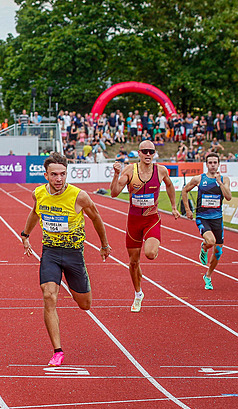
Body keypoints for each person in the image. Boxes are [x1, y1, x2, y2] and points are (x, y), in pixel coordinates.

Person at [20, 152, 111, 367]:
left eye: (62, 174)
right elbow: (35, 212)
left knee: (85, 304)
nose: (59, 179)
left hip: (73, 255)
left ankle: (75, 285)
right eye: (54, 175)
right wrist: (25, 235)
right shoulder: (39, 193)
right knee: (49, 296)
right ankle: (57, 351)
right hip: (50, 252)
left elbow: (96, 217)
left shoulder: (79, 196)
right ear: (46, 175)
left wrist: (104, 244)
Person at [110, 140, 180, 312]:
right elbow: (114, 193)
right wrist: (116, 174)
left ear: (154, 153)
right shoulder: (130, 171)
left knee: (149, 253)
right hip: (133, 221)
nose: (148, 155)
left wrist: (173, 207)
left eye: (151, 152)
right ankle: (138, 293)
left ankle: (153, 246)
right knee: (134, 263)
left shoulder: (161, 170)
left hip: (151, 219)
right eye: (145, 151)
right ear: (139, 153)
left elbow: (170, 186)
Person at [181, 152, 232, 290]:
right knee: (210, 241)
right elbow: (184, 190)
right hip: (203, 218)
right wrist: (188, 210)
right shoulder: (199, 179)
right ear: (206, 164)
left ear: (218, 164)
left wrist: (220, 183)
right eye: (210, 163)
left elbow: (228, 197)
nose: (213, 165)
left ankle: (208, 276)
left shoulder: (224, 179)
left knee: (218, 252)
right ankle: (204, 247)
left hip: (217, 219)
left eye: (215, 162)